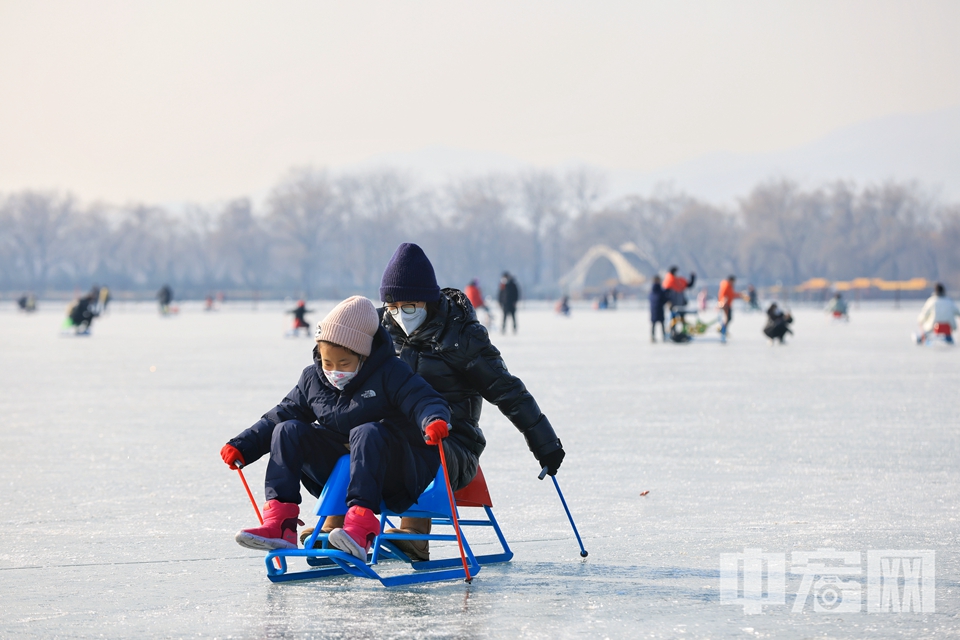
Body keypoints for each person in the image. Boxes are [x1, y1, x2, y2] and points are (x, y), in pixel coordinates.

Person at [361, 242, 565, 561]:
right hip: (391, 441)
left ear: (428, 301)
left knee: (419, 441)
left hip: (454, 447)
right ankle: (338, 529)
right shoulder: (378, 333)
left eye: (410, 305)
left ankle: (414, 536)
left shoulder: (461, 337)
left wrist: (546, 444)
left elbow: (507, 391)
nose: (400, 314)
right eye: (392, 305)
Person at [220, 296, 451, 561]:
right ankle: (280, 525)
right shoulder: (313, 378)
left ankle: (361, 526)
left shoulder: (391, 373)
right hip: (338, 475)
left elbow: (423, 399)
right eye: (327, 363)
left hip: (389, 472)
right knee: (287, 430)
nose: (334, 371)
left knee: (366, 432)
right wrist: (243, 445)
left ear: (364, 355)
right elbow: (279, 415)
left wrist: (433, 420)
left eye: (343, 364)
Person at [717, 275, 745, 343]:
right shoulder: (726, 286)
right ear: (730, 280)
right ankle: (722, 331)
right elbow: (723, 295)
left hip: (728, 305)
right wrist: (723, 303)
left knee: (728, 319)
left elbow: (731, 295)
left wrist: (740, 295)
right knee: (726, 319)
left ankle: (723, 330)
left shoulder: (729, 286)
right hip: (725, 305)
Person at [648, 276, 667, 342]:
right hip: (659, 309)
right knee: (662, 324)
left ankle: (652, 337)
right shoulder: (660, 290)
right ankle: (664, 336)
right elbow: (663, 299)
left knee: (653, 324)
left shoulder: (652, 290)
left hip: (653, 309)